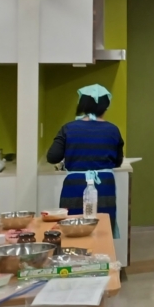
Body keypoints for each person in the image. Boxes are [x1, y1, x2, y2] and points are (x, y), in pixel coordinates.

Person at [46, 84, 125, 238]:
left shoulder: (68, 128)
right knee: (102, 230)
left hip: (74, 187)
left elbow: (52, 157)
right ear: (106, 106)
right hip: (104, 187)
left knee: (73, 230)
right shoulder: (113, 130)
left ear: (82, 104)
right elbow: (117, 162)